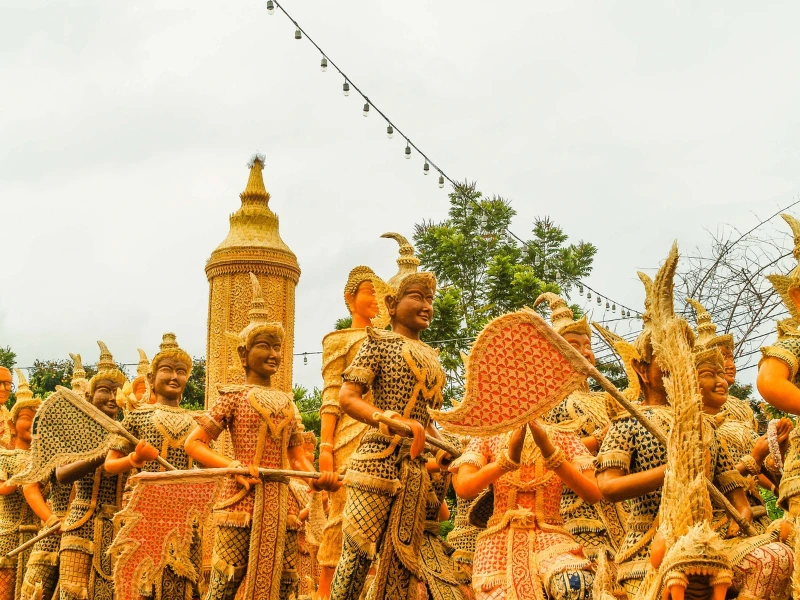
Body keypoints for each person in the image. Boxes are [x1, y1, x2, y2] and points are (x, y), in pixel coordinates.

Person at [595, 273, 751, 598]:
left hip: (709, 540)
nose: (676, 364)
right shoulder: (629, 423)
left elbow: (734, 492)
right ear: (642, 369)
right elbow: (607, 487)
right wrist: (673, 472)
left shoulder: (702, 425)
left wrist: (741, 518)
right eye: (665, 358)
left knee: (775, 558)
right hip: (647, 542)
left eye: (683, 355)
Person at [185, 273, 338, 600]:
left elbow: (297, 456)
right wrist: (234, 466)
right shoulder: (232, 397)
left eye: (277, 348)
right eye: (264, 346)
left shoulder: (288, 402)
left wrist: (316, 478)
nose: (273, 353)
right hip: (240, 501)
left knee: (283, 584)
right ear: (244, 354)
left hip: (281, 504)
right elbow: (194, 443)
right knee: (225, 581)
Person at [329, 268, 448, 600]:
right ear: (392, 305)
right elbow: (348, 397)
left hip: (418, 468)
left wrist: (445, 446)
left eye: (430, 300)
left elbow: (429, 420)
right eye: (417, 297)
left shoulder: (434, 359)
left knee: (406, 559)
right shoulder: (379, 343)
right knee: (357, 554)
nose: (426, 306)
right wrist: (386, 417)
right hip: (377, 462)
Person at [453, 418, 600, 600]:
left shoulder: (563, 435)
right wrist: (507, 460)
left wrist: (550, 451)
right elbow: (464, 487)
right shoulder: (488, 435)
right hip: (498, 540)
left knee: (576, 583)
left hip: (550, 534)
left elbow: (594, 493)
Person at [104, 333, 201, 600]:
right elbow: (111, 464)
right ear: (151, 379)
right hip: (144, 510)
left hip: (185, 515)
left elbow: (207, 464)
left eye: (181, 372)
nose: (174, 377)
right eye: (167, 370)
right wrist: (135, 459)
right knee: (141, 583)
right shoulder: (137, 417)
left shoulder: (196, 422)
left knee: (182, 585)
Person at [535, 292, 624, 559]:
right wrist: (600, 441)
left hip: (619, 503)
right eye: (575, 345)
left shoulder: (603, 399)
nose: (585, 352)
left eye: (588, 345)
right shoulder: (544, 402)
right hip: (572, 506)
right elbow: (539, 452)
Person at [318, 265, 387, 599]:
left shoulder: (393, 342)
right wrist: (325, 448)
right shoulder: (339, 341)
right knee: (342, 519)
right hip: (349, 436)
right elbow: (333, 395)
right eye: (369, 291)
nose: (377, 298)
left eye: (380, 291)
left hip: (388, 437)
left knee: (383, 523)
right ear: (350, 299)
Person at [55, 342, 127, 600]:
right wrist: (101, 453)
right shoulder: (76, 433)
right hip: (80, 523)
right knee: (72, 592)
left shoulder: (128, 431)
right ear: (89, 396)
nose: (111, 397)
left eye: (117, 392)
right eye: (104, 391)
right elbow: (62, 475)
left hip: (118, 527)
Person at [0, 371, 40, 600]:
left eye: (38, 419)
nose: (33, 423)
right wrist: (21, 478)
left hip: (36, 534)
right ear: (13, 426)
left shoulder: (43, 460)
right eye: (27, 417)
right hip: (8, 533)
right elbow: (3, 488)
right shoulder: (4, 457)